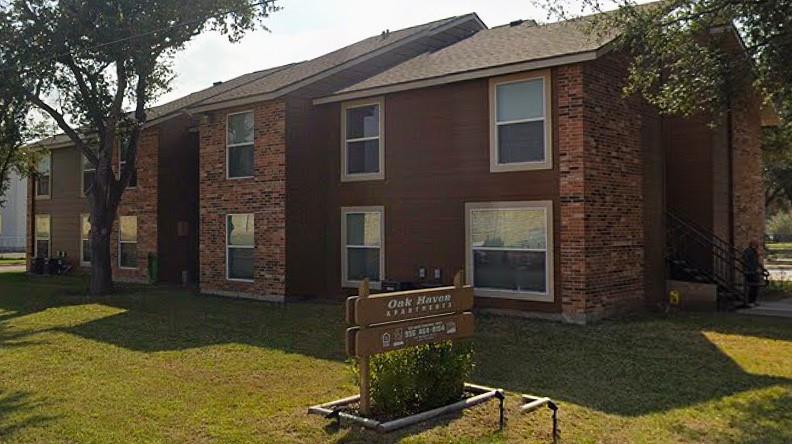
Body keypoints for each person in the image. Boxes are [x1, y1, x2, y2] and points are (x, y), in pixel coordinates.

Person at [742, 240, 762, 307]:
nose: (758, 246)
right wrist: (750, 269)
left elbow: (756, 261)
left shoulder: (754, 251)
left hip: (754, 271)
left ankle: (753, 301)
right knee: (752, 286)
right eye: (757, 244)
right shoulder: (748, 251)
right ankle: (750, 301)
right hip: (750, 271)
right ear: (753, 244)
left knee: (755, 286)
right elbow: (747, 261)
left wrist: (759, 267)